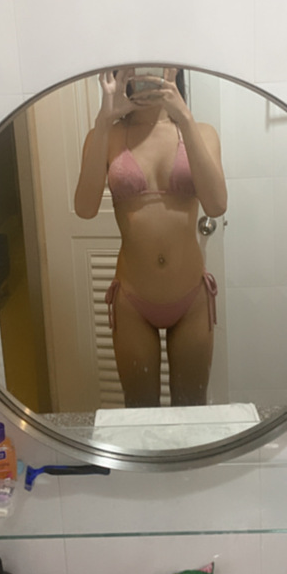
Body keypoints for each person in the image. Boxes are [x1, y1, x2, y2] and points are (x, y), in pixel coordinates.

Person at [74, 66, 227, 408]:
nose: (144, 72)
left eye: (153, 63)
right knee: (139, 411)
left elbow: (217, 205)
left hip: (191, 297)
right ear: (120, 71)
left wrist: (183, 116)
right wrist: (103, 121)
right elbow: (84, 208)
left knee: (192, 409)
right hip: (133, 298)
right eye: (134, 64)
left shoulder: (201, 131)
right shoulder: (107, 134)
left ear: (173, 68)